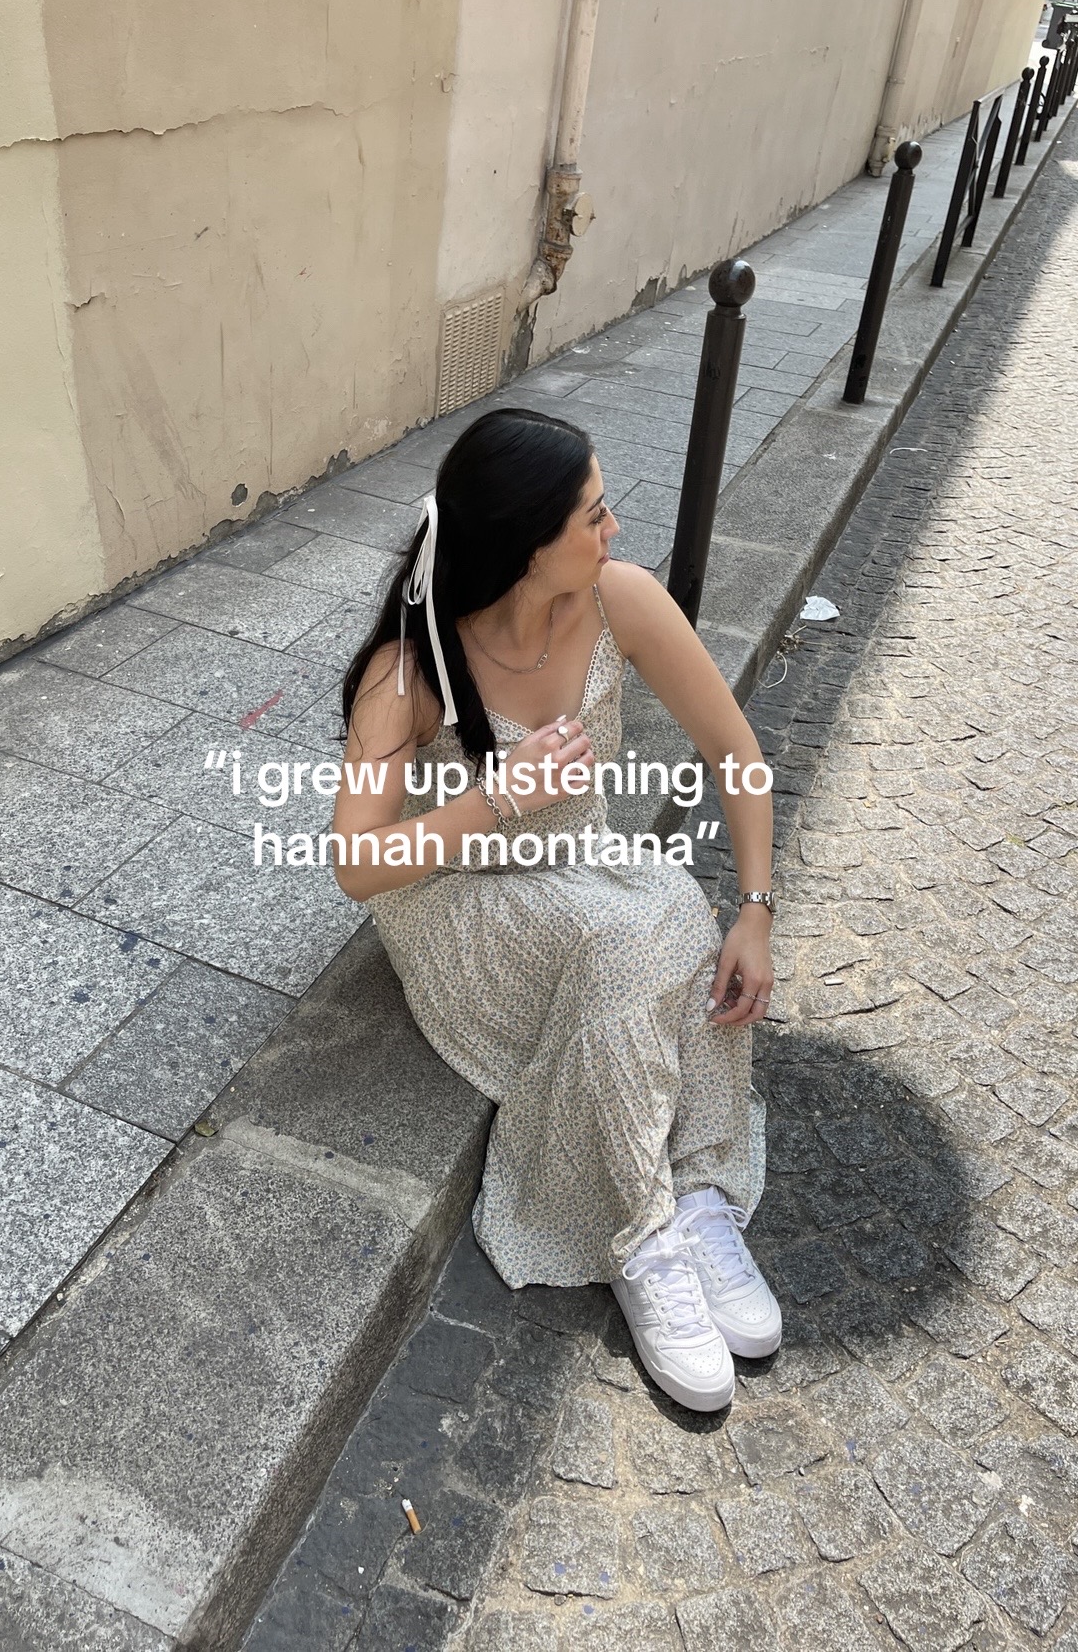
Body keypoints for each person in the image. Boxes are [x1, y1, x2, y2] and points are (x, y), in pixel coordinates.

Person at [331, 406, 779, 1411]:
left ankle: (701, 1189)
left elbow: (734, 750)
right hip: (457, 899)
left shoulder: (619, 598)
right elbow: (357, 864)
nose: (615, 529)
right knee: (627, 938)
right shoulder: (410, 667)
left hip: (578, 864)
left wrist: (755, 910)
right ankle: (636, 1232)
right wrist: (499, 796)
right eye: (594, 514)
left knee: (680, 910)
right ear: (527, 547)